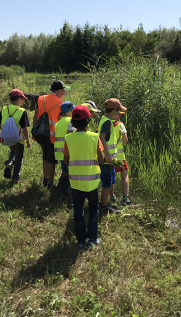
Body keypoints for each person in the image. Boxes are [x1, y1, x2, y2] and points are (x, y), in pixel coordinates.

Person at [63, 105, 104, 248]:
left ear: (73, 122)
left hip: (75, 182)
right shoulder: (95, 137)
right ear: (89, 121)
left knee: (78, 209)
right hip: (92, 182)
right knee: (93, 208)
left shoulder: (68, 138)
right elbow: (101, 160)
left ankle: (81, 240)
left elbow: (66, 160)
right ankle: (92, 239)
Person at [33, 80, 69, 189]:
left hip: (40, 133)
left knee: (45, 157)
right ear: (58, 91)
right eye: (63, 91)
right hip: (52, 136)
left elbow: (35, 115)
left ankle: (45, 178)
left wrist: (34, 131)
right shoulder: (61, 104)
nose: (64, 93)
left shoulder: (40, 99)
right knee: (51, 160)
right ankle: (50, 183)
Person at [0, 89, 31, 183]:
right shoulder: (22, 111)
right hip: (19, 139)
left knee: (12, 151)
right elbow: (25, 128)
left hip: (7, 137)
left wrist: (4, 130)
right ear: (18, 99)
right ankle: (15, 178)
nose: (23, 101)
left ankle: (9, 164)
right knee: (19, 158)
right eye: (22, 99)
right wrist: (28, 140)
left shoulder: (5, 109)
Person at [98, 98, 127, 213]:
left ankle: (105, 204)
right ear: (114, 110)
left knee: (108, 183)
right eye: (118, 110)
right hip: (107, 160)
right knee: (106, 184)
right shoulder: (106, 122)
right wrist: (108, 156)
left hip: (108, 159)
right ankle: (104, 206)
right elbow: (101, 137)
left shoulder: (105, 120)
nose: (119, 113)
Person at [113, 111, 132, 205]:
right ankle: (125, 198)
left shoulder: (105, 123)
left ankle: (112, 196)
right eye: (119, 114)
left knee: (111, 175)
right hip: (119, 155)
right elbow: (125, 140)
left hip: (108, 155)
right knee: (124, 174)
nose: (120, 115)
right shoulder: (120, 125)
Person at [54, 101, 76, 176]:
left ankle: (63, 186)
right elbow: (70, 137)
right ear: (71, 111)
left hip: (59, 153)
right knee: (69, 175)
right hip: (67, 153)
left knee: (64, 172)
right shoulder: (71, 122)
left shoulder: (58, 123)